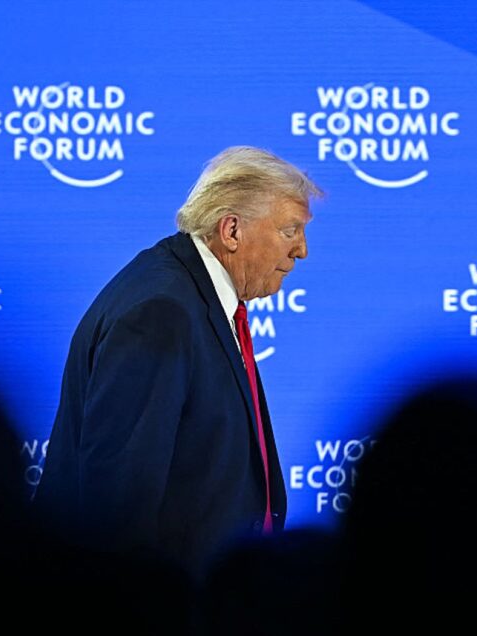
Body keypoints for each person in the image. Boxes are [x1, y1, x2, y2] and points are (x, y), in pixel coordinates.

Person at [35, 146, 322, 579]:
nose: (301, 250)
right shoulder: (159, 312)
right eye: (290, 230)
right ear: (231, 230)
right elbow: (117, 506)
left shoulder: (193, 295)